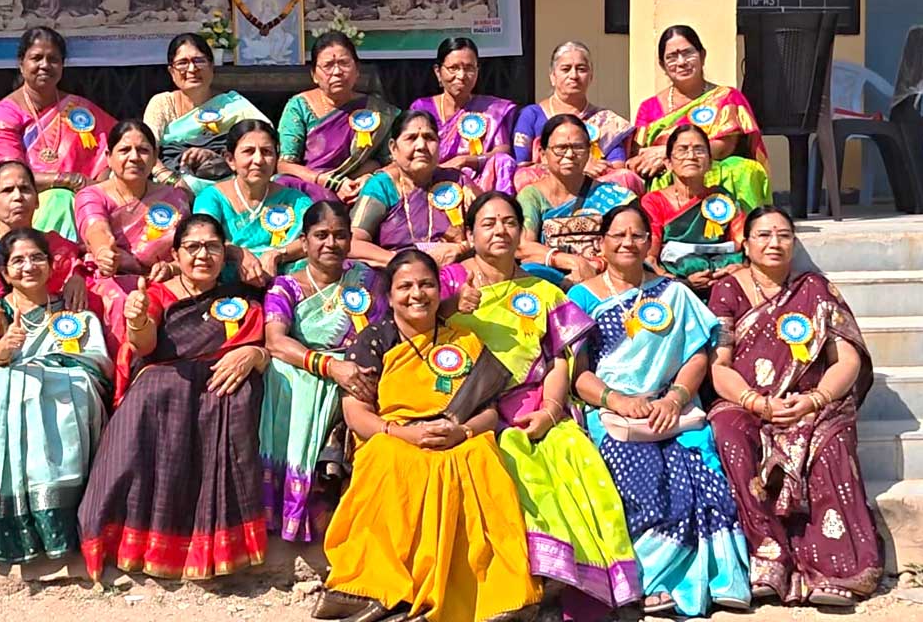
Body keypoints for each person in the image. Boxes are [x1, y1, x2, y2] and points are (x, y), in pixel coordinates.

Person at [441, 192, 640, 622]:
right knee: (509, 463)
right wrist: (449, 306)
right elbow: (413, 327)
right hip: (467, 408)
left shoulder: (544, 290)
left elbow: (559, 360)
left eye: (509, 222)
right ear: (469, 233)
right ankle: (519, 583)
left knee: (572, 455)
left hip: (537, 406)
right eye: (488, 223)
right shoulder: (446, 282)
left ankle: (573, 583)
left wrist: (551, 410)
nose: (500, 230)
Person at [313, 249, 541, 622]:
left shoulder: (464, 338)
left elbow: (489, 412)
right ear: (389, 296)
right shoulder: (375, 339)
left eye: (426, 284)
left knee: (481, 457)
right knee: (388, 458)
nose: (417, 294)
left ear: (439, 290)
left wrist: (462, 431)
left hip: (456, 434)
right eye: (405, 286)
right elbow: (356, 413)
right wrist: (403, 433)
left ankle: (499, 595)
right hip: (392, 434)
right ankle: (371, 589)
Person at [567, 204, 750, 617]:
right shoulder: (581, 297)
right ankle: (647, 582)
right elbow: (577, 374)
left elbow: (697, 354)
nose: (628, 242)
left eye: (637, 235)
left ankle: (718, 578)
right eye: (618, 235)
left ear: (650, 243)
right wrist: (618, 400)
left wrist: (674, 398)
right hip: (614, 414)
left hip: (674, 409)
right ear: (601, 244)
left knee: (706, 477)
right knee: (642, 481)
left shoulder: (674, 292)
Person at [77, 214, 271, 580]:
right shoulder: (157, 295)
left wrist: (254, 354)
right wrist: (136, 320)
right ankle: (134, 538)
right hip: (169, 384)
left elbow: (265, 344)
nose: (203, 255)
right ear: (176, 254)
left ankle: (221, 545)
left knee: (237, 394)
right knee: (156, 390)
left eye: (212, 247)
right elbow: (144, 344)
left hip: (219, 386)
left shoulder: (241, 300)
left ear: (224, 253)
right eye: (193, 247)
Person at [708, 207, 882, 606]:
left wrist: (815, 399)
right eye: (764, 235)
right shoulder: (727, 290)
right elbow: (719, 365)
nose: (774, 243)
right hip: (749, 401)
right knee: (728, 432)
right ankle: (768, 556)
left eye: (784, 235)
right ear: (745, 244)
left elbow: (847, 359)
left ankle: (835, 567)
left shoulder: (815, 290)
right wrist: (757, 402)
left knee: (830, 443)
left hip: (812, 401)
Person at [0, 228, 110, 563]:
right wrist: (4, 350)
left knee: (65, 389)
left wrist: (43, 369)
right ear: (5, 273)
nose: (28, 266)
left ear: (51, 265)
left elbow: (95, 365)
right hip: (5, 382)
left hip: (56, 385)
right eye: (18, 261)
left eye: (37, 258)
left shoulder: (73, 312)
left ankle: (58, 516)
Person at [260, 201, 385, 542]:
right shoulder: (286, 287)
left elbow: (385, 331)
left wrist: (356, 368)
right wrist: (330, 367)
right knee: (281, 375)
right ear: (304, 241)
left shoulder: (367, 281)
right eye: (321, 235)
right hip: (307, 371)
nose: (331, 243)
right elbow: (275, 342)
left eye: (340, 235)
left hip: (359, 370)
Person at [0, 160, 90, 375]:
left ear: (37, 201)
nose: (18, 197)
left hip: (44, 314)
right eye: (7, 190)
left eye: (25, 189)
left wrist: (78, 276)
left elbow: (83, 257)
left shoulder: (50, 242)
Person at [74, 120, 190, 369]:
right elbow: (95, 228)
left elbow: (186, 249)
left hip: (160, 280)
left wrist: (171, 268)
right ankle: (121, 380)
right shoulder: (92, 195)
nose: (134, 157)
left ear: (155, 157)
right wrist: (104, 252)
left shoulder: (174, 198)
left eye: (143, 150)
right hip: (108, 277)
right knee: (122, 300)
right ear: (108, 156)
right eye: (125, 150)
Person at [0, 27, 118, 240]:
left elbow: (115, 146)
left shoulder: (79, 109)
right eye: (36, 58)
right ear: (21, 64)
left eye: (53, 59)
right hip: (30, 203)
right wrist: (69, 180)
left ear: (63, 65)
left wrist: (99, 188)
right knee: (60, 199)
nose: (45, 65)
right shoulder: (4, 113)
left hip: (85, 197)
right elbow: (11, 176)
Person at [631, 25, 771, 211]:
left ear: (702, 56)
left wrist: (670, 152)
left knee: (743, 170)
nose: (681, 62)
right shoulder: (649, 107)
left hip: (715, 167)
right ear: (662, 65)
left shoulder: (726, 97)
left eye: (688, 53)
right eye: (671, 57)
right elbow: (639, 154)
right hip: (667, 174)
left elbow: (724, 147)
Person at [275, 31, 398, 204]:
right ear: (314, 75)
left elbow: (394, 161)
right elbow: (285, 165)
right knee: (280, 182)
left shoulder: (378, 111)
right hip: (312, 187)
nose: (337, 72)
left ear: (357, 70)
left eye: (344, 63)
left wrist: (368, 177)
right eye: (328, 65)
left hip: (360, 188)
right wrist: (328, 182)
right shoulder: (300, 106)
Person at [516, 114, 636, 287]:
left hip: (604, 280)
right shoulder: (531, 196)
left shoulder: (615, 197)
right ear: (543, 154)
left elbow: (632, 242)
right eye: (561, 148)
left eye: (578, 147)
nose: (570, 154)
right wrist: (572, 262)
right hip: (550, 280)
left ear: (589, 152)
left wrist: (595, 265)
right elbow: (522, 246)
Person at [349, 109, 477, 267]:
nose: (421, 145)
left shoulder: (457, 182)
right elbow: (352, 243)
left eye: (429, 138)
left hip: (453, 272)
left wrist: (462, 248)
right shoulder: (382, 186)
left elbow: (488, 232)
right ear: (393, 148)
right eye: (411, 138)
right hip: (396, 274)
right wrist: (406, 263)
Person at [144, 33, 270, 193]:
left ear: (212, 66)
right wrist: (170, 179)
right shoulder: (162, 103)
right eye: (182, 63)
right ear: (171, 72)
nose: (192, 69)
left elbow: (266, 139)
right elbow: (146, 147)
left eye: (199, 61)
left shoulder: (233, 104)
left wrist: (216, 158)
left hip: (228, 185)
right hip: (170, 186)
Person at [194, 120, 313, 285]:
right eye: (248, 151)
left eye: (266, 152)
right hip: (224, 288)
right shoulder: (211, 198)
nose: (258, 160)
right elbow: (202, 238)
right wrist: (238, 253)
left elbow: (315, 237)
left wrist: (277, 254)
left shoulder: (295, 200)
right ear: (230, 159)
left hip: (286, 286)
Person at [514, 41, 642, 192]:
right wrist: (577, 166)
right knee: (523, 177)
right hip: (549, 188)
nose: (574, 75)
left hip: (595, 188)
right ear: (553, 76)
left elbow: (617, 166)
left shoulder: (607, 121)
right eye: (566, 69)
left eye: (581, 69)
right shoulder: (532, 115)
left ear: (591, 76)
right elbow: (522, 165)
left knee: (625, 178)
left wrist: (588, 171)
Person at [641, 124, 745, 295]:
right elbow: (649, 258)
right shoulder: (654, 202)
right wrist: (680, 283)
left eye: (699, 150)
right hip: (673, 287)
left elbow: (744, 244)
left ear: (710, 163)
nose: (691, 156)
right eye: (682, 150)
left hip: (721, 282)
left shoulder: (722, 199)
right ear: (668, 163)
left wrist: (736, 268)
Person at [409, 37, 517, 193]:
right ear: (438, 72)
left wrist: (466, 160)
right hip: (431, 182)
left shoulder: (493, 110)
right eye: (453, 68)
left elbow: (502, 151)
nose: (461, 75)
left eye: (469, 68)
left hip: (478, 183)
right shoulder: (422, 108)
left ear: (477, 71)